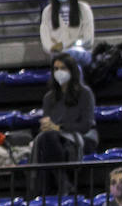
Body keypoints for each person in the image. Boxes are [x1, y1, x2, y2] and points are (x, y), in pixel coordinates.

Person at [33, 54, 98, 194]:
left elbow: (85, 125)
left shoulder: (85, 94)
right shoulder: (49, 98)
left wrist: (58, 128)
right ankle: (62, 181)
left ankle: (50, 188)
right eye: (56, 69)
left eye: (63, 68)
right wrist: (47, 126)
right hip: (55, 140)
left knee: (48, 140)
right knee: (45, 138)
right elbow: (48, 124)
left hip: (82, 137)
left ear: (72, 71)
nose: (59, 72)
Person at [39, 0, 95, 67]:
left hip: (81, 55)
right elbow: (46, 40)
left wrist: (62, 45)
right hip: (58, 57)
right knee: (61, 62)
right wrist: (56, 47)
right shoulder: (47, 11)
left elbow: (88, 40)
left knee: (70, 58)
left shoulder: (84, 9)